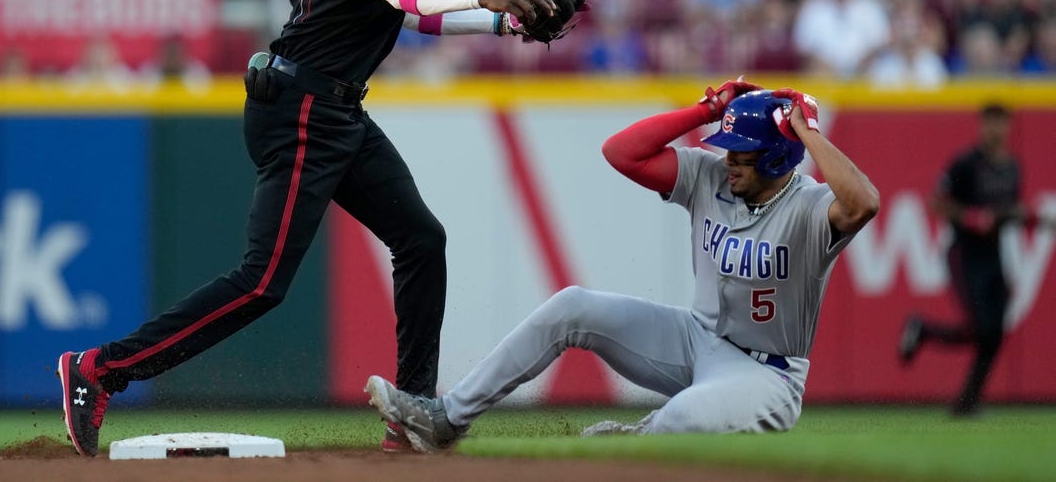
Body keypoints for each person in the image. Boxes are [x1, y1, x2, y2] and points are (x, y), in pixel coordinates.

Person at [56, 0, 560, 457]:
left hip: (328, 106)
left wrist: (508, 18)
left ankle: (411, 410)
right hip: (303, 111)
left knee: (420, 239)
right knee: (263, 281)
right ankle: (99, 369)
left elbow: (411, 10)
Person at [366, 81, 880, 450]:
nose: (727, 159)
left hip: (766, 373)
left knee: (680, 418)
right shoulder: (711, 176)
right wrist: (705, 110)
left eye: (742, 153)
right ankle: (447, 419)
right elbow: (622, 153)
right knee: (574, 307)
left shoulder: (810, 206)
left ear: (775, 157)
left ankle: (637, 443)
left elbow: (864, 203)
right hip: (695, 339)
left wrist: (807, 133)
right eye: (727, 150)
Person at [898, 104, 1029, 416]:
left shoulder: (1012, 167)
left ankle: (967, 401)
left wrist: (1023, 217)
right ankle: (924, 332)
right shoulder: (967, 164)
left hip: (994, 255)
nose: (996, 129)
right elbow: (936, 204)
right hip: (965, 254)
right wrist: (969, 216)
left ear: (1008, 127)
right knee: (982, 327)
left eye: (1001, 123)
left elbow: (1008, 211)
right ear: (982, 126)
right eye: (990, 122)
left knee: (992, 333)